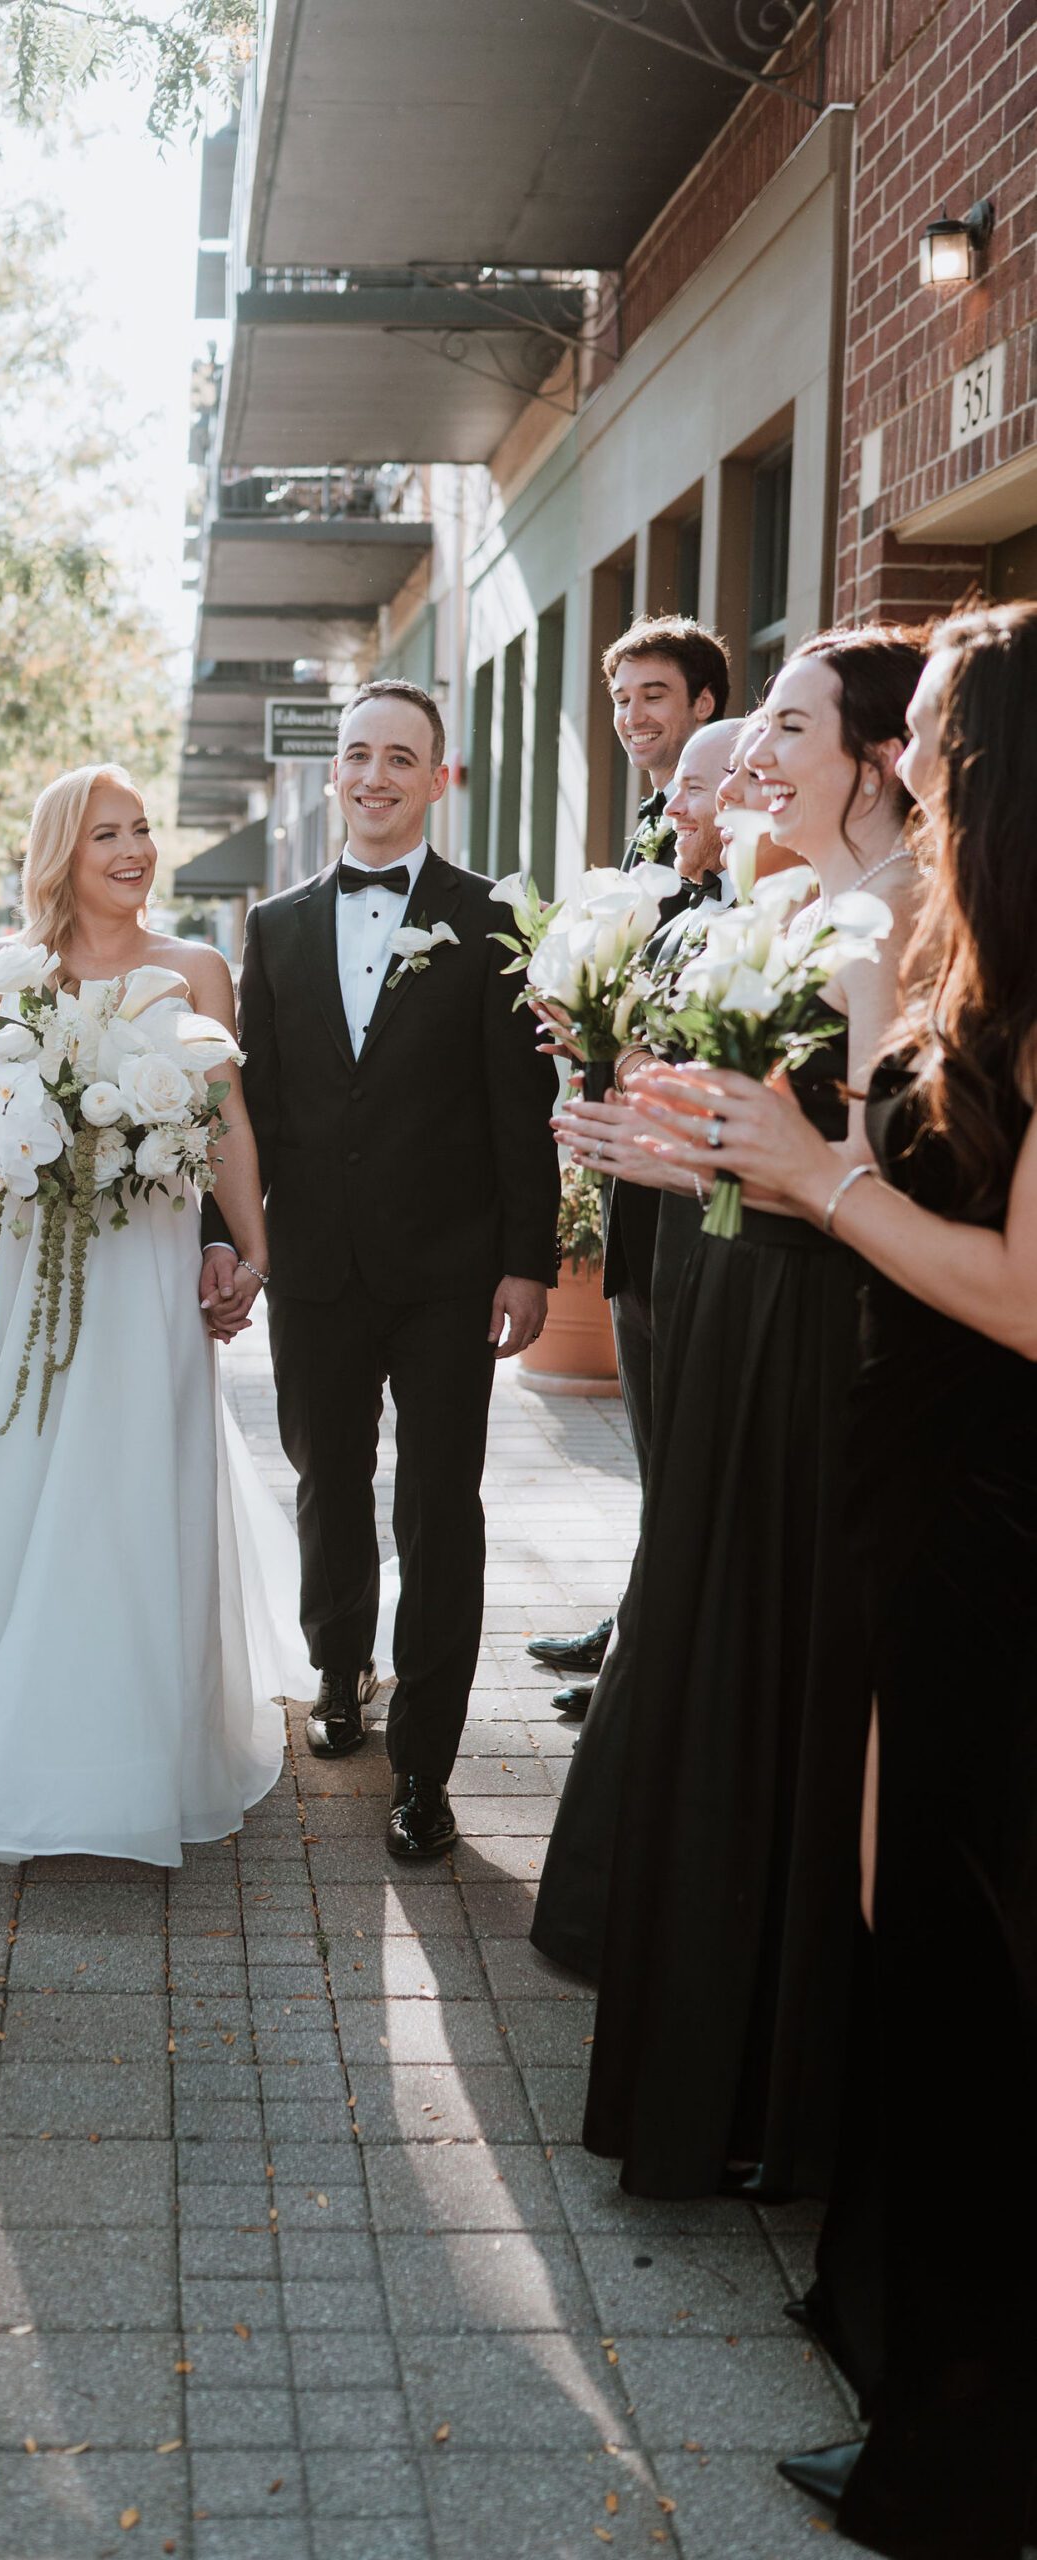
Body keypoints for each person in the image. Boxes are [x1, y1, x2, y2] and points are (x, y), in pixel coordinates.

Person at [631, 604, 1037, 2559]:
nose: (903, 766)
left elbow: (1024, 1300)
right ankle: (903, 2352)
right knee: (908, 1931)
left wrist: (817, 1178)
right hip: (916, 1501)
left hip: (998, 1524)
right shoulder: (965, 974)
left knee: (970, 1960)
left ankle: (968, 2452)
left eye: (929, 738)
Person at [573, 625, 927, 2202]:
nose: (754, 758)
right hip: (732, 1304)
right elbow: (771, 1142)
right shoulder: (787, 900)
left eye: (787, 726)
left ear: (877, 757)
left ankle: (784, 2084)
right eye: (762, 724)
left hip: (817, 1333)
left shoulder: (904, 917)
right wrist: (669, 1150)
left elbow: (882, 1171)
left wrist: (726, 1158)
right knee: (712, 1655)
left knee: (783, 1675)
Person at [0, 762, 298, 1864]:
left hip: (146, 1264)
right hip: (20, 1259)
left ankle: (136, 1749)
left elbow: (226, 1113)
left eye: (140, 830)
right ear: (61, 854)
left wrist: (252, 1249)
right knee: (12, 1473)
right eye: (105, 836)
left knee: (134, 1479)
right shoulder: (10, 966)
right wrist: (48, 1114)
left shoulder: (196, 969)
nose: (133, 852)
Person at [202, 678, 560, 1861]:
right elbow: (250, 1104)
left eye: (399, 757)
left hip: (451, 1268)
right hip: (314, 1262)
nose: (374, 776)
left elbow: (520, 1105)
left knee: (439, 1504)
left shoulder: (488, 917)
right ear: (332, 772)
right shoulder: (276, 925)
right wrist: (227, 1237)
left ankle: (425, 1765)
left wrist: (526, 1261)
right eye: (357, 754)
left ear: (435, 778)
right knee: (326, 1476)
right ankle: (337, 1665)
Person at [529, 715, 748, 1975]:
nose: (678, 804)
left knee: (691, 1518)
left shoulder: (754, 926)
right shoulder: (667, 913)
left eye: (701, 784)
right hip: (644, 1240)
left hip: (718, 1248)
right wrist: (594, 1049)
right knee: (663, 1494)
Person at [526, 616, 730, 1712]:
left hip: (697, 1175)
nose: (633, 716)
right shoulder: (645, 832)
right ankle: (636, 1619)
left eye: (654, 694)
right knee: (648, 1424)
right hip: (630, 1174)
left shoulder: (736, 851)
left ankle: (652, 1652)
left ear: (705, 704)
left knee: (691, 1431)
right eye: (620, 698)